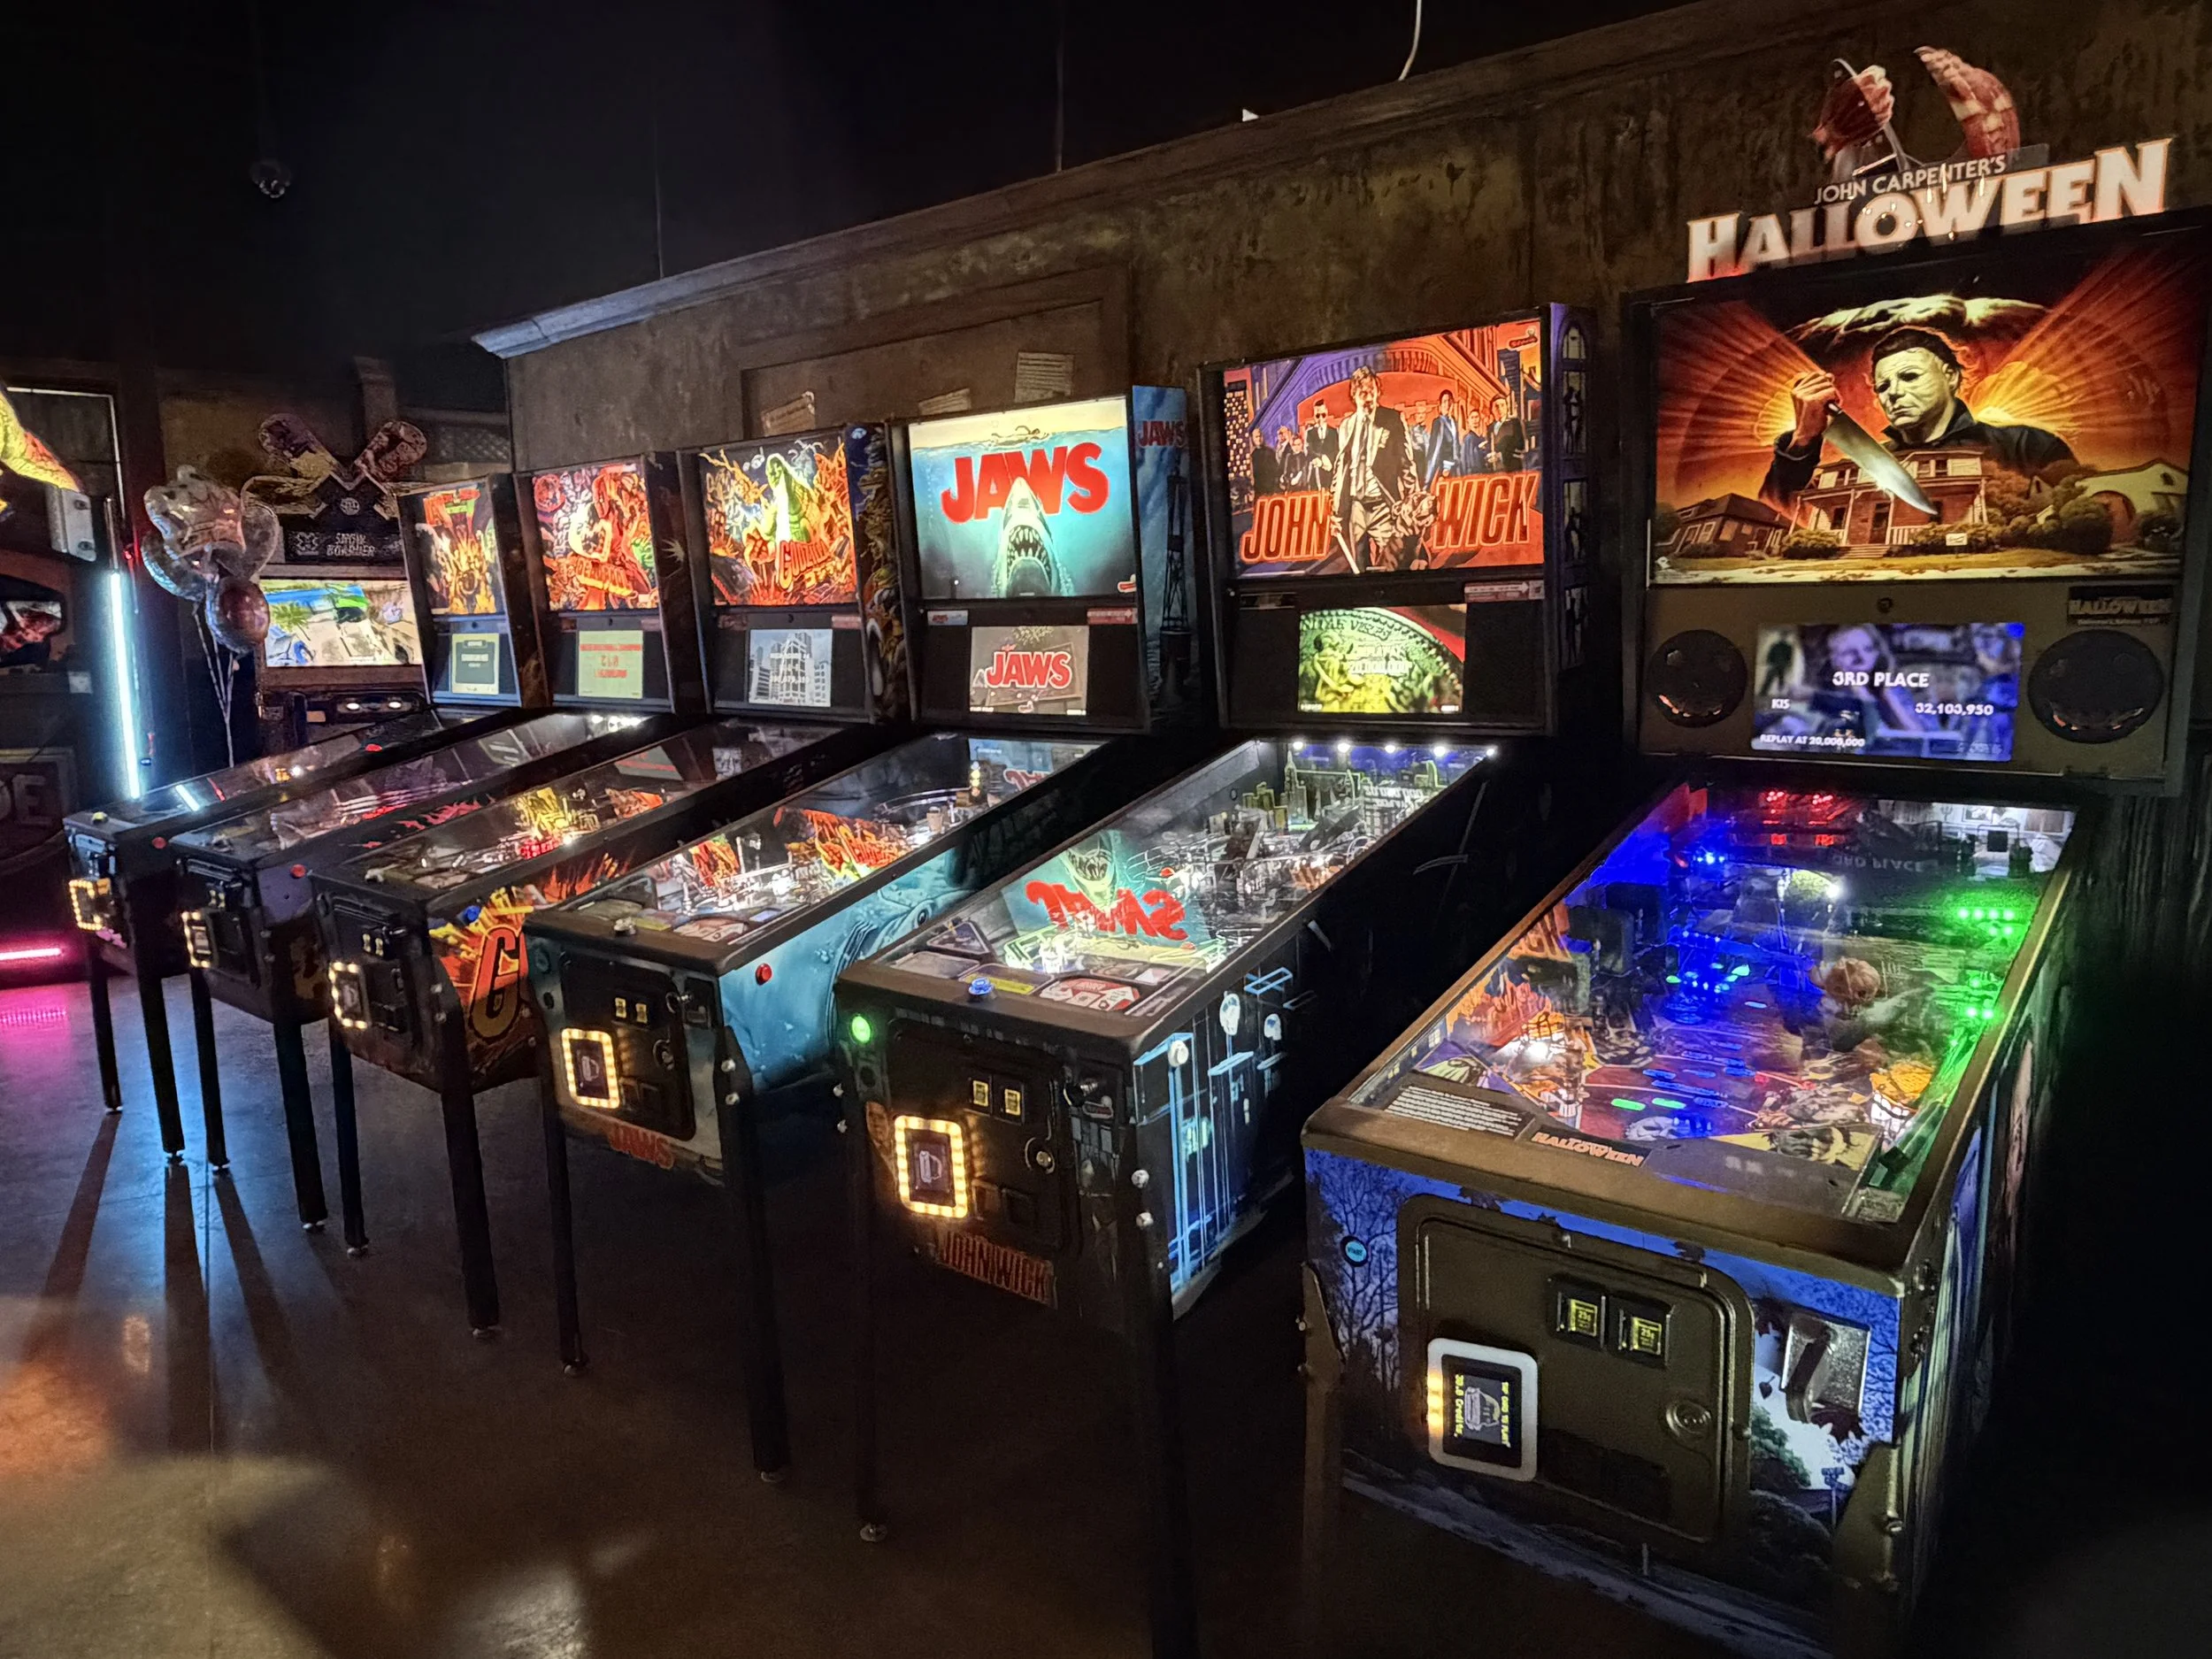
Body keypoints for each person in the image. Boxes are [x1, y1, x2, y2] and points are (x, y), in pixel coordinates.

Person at [1761, 326, 2076, 508]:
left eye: (1910, 376)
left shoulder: (2031, 446)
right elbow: (1781, 511)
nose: (1892, 393)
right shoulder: (1864, 465)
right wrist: (1802, 441)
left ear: (1951, 377)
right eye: (1883, 386)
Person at [1331, 365, 1418, 573]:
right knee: (1359, 568)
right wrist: (1336, 510)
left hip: (1384, 506)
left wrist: (1412, 502)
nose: (1368, 396)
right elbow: (1341, 469)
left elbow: (1406, 464)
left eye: (1372, 391)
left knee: (1395, 565)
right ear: (1354, 395)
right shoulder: (1346, 426)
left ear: (1378, 391)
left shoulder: (1392, 419)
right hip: (1356, 508)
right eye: (1363, 392)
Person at [1424, 389, 1463, 487]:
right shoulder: (1438, 423)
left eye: (1449, 401)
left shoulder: (1454, 421)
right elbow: (1435, 448)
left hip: (1455, 466)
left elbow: (1456, 444)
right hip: (1443, 468)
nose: (1447, 404)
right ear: (1440, 405)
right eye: (1445, 402)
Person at [1302, 401, 1338, 493]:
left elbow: (1337, 450)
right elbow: (1308, 450)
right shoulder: (1310, 432)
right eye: (1318, 416)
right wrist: (1320, 457)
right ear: (1314, 416)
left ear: (1326, 413)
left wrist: (1330, 461)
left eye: (1323, 415)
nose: (1321, 418)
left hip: (1330, 473)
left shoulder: (1334, 432)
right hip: (1315, 473)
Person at [1485, 395, 1526, 472]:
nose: (1500, 409)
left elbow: (1520, 445)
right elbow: (1489, 447)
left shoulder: (1514, 423)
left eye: (1502, 405)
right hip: (1495, 470)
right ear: (1491, 409)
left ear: (1507, 407)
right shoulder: (1490, 428)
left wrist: (1500, 455)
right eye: (1496, 406)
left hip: (1512, 468)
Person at [1249, 426, 1280, 496]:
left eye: (1260, 436)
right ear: (1253, 439)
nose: (1259, 439)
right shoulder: (1252, 455)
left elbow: (1276, 470)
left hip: (1271, 487)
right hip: (1259, 489)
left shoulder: (1270, 451)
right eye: (1256, 437)